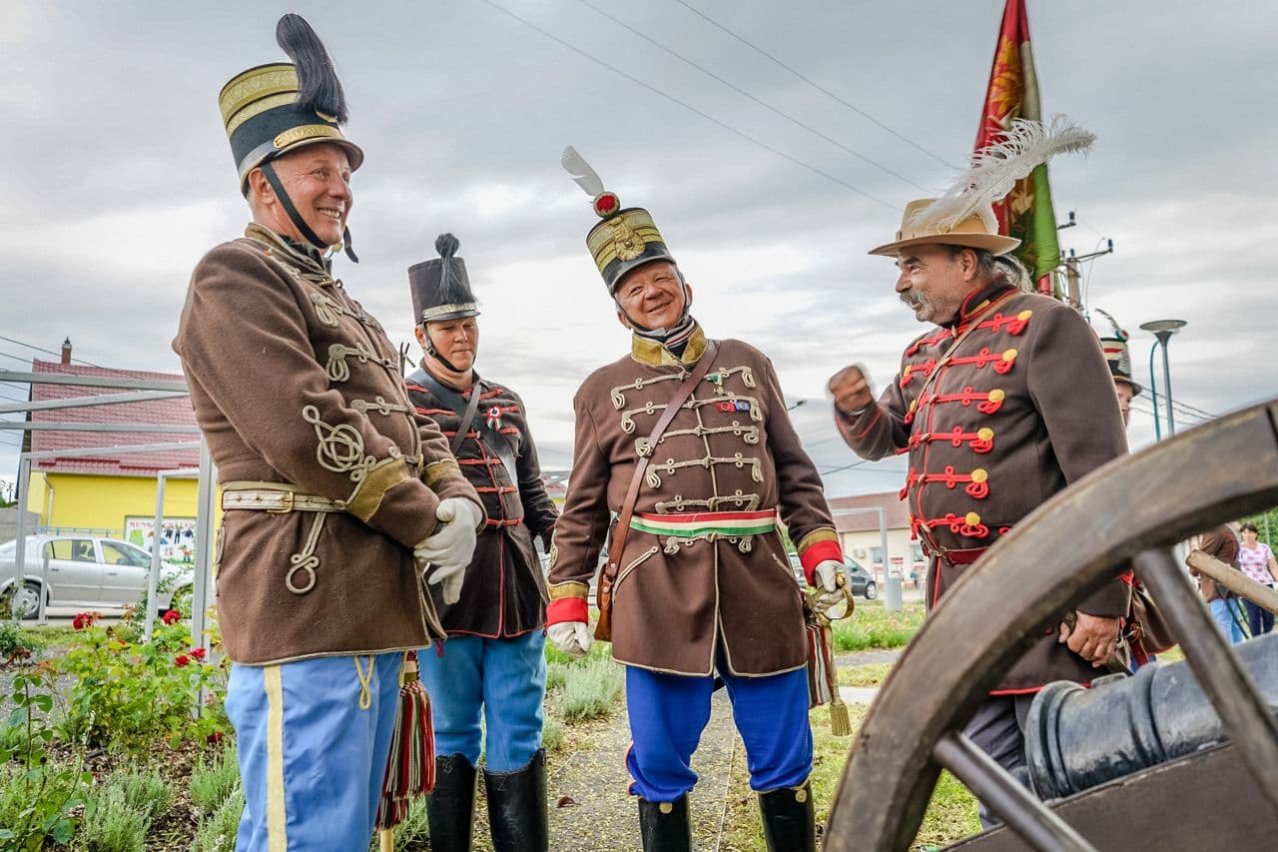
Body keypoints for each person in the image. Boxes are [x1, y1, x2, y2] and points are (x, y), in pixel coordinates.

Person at [173, 16, 483, 849]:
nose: (340, 186)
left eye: (344, 171)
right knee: (304, 837)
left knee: (344, 835)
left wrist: (460, 502)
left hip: (369, 601)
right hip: (304, 602)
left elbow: (414, 420)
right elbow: (306, 429)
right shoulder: (233, 275)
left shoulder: (346, 302)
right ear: (262, 182)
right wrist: (426, 521)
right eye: (318, 169)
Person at [826, 121, 1130, 827]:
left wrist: (1105, 602)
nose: (901, 282)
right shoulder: (922, 355)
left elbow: (1100, 472)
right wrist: (853, 409)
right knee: (1001, 787)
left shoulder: (1046, 326)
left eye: (914, 265)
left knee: (1073, 779)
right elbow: (885, 440)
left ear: (968, 261)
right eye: (899, 269)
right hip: (960, 603)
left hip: (1047, 597)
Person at [545, 148, 848, 852]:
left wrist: (822, 551)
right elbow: (583, 510)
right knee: (657, 763)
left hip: (759, 584)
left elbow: (796, 473)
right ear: (617, 305)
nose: (650, 292)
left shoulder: (749, 363)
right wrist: (567, 595)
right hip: (656, 591)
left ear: (684, 280)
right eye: (633, 287)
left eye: (659, 277)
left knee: (783, 758)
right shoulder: (598, 390)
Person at [403, 234, 559, 851]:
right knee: (452, 729)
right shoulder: (402, 401)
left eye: (468, 323)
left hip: (517, 583)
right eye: (447, 327)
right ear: (423, 334)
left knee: (520, 726)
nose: (461, 335)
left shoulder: (506, 401)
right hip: (448, 588)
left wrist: (576, 562)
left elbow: (536, 496)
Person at [1189, 524, 1246, 644]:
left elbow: (1198, 560)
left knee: (1223, 629)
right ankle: (1241, 659)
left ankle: (1231, 662)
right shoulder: (1227, 529)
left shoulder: (1214, 530)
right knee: (1233, 628)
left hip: (1220, 590)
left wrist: (1192, 570)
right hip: (1230, 587)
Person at [1238, 522, 1278, 635]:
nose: (1247, 535)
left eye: (1250, 532)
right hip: (1247, 587)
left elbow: (1274, 567)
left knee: (1269, 617)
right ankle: (1258, 642)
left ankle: (1267, 639)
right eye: (1244, 532)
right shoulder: (1238, 549)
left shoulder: (1264, 548)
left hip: (1265, 585)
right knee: (1254, 616)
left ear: (1256, 534)